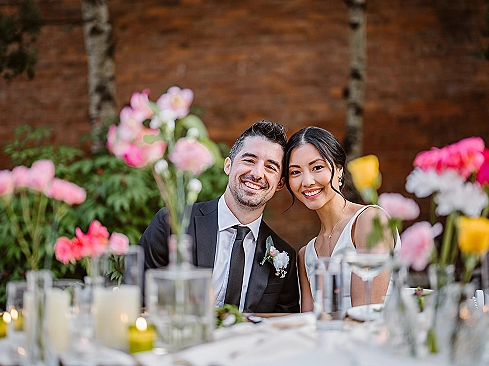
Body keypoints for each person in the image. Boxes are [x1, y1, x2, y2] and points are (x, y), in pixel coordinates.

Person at [139, 120, 300, 313]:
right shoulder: (174, 222)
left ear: (280, 183)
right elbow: (139, 297)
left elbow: (283, 324)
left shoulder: (285, 256)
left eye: (270, 167)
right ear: (228, 166)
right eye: (249, 160)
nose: (257, 173)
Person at [283, 126, 399, 312]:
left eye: (317, 167)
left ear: (339, 170)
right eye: (295, 172)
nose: (307, 181)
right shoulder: (305, 255)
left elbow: (365, 315)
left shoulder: (368, 221)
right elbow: (308, 323)